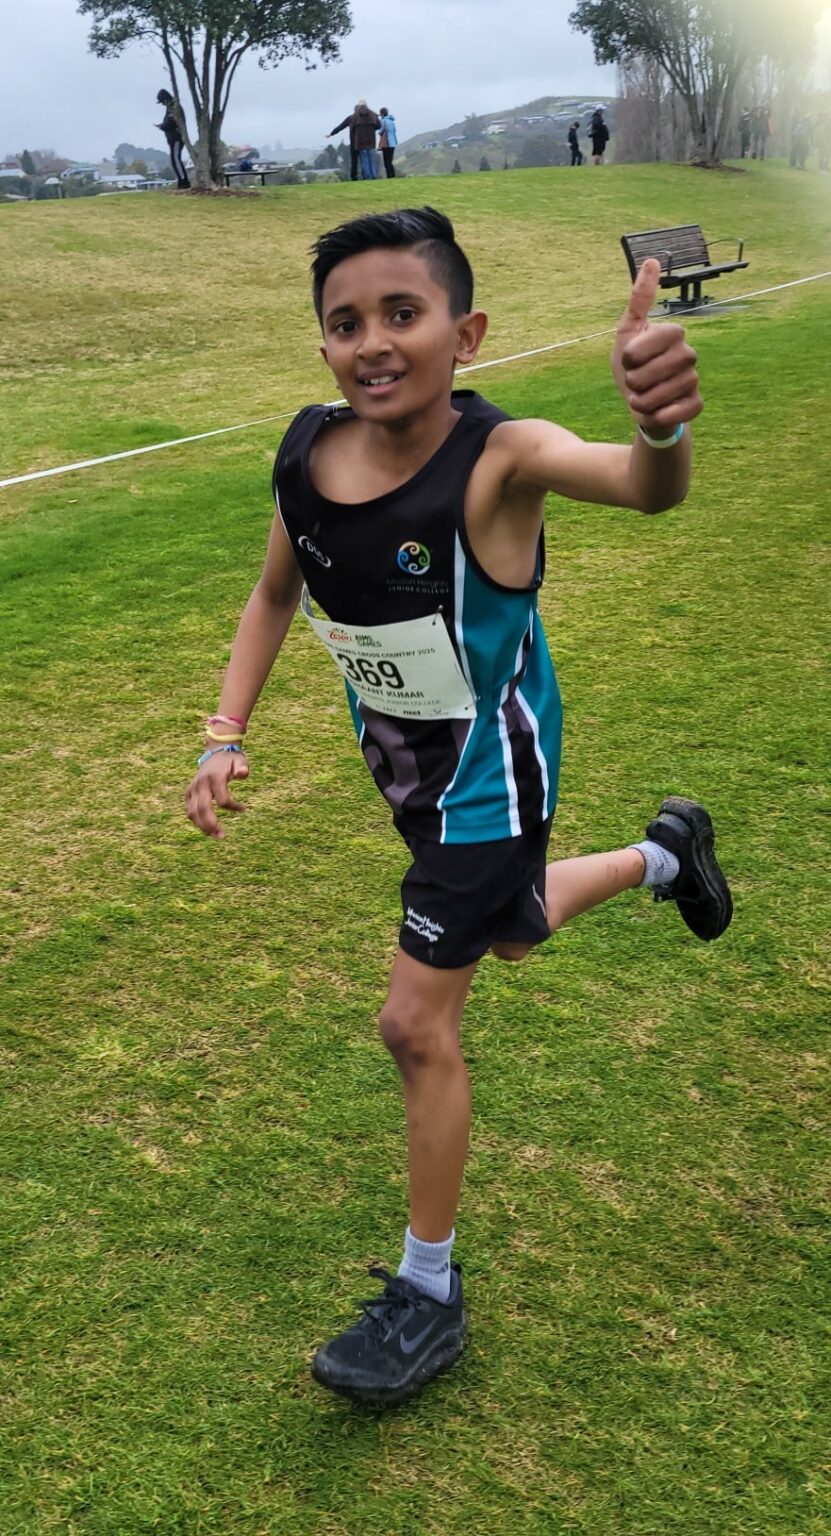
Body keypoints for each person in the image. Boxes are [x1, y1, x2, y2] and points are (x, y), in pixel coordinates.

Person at [185, 206, 733, 1409]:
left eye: (404, 313)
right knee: (515, 930)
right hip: (407, 778)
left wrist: (660, 425)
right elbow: (275, 594)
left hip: (490, 782)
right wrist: (225, 732)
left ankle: (427, 1292)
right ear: (323, 345)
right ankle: (665, 854)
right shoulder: (305, 455)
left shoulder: (503, 459)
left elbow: (642, 488)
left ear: (465, 334)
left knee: (414, 1025)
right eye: (346, 323)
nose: (374, 342)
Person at [329, 100, 380, 180]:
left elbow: (341, 127)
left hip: (357, 141)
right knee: (370, 158)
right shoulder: (372, 115)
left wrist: (331, 134)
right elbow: (379, 125)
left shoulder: (352, 118)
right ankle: (372, 175)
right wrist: (371, 130)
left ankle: (358, 177)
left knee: (356, 161)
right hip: (370, 140)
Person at [155, 88, 190, 189]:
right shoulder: (170, 108)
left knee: (176, 159)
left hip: (176, 139)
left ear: (166, 99)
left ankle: (183, 181)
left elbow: (170, 123)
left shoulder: (174, 108)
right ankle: (181, 180)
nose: (162, 104)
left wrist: (162, 126)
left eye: (162, 102)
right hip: (173, 139)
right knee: (174, 160)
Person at [378, 107, 398, 178]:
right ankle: (393, 175)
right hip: (393, 143)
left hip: (386, 143)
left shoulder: (383, 121)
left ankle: (389, 176)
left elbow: (381, 131)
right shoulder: (391, 121)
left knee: (386, 162)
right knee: (390, 161)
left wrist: (379, 132)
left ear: (382, 114)